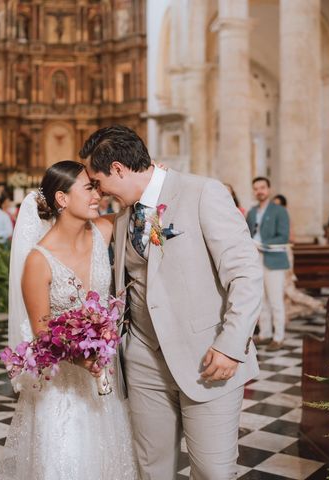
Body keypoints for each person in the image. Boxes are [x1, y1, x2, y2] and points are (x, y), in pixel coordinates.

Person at [80, 125, 262, 480]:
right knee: (153, 470)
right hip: (143, 360)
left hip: (206, 357)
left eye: (99, 182)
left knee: (213, 472)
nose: (99, 193)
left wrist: (230, 345)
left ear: (118, 168)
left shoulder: (202, 192)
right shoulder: (122, 218)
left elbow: (246, 273)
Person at [0, 161, 137, 479]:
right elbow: (42, 333)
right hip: (63, 390)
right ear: (62, 199)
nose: (97, 195)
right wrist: (81, 358)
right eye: (89, 188)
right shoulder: (38, 260)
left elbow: (140, 210)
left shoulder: (104, 231)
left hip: (108, 383)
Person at [246, 177, 290, 351]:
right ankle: (265, 333)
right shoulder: (252, 211)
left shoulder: (279, 211)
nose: (259, 191)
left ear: (269, 189)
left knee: (275, 300)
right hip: (254, 259)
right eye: (256, 188)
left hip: (272, 259)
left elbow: (283, 236)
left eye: (262, 187)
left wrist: (262, 244)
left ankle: (278, 337)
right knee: (260, 298)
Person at [273, 195, 325, 320]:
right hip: (275, 254)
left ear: (284, 206)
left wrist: (275, 239)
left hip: (285, 253)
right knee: (280, 288)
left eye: (278, 205)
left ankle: (315, 304)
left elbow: (291, 238)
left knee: (288, 288)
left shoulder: (286, 218)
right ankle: (283, 314)